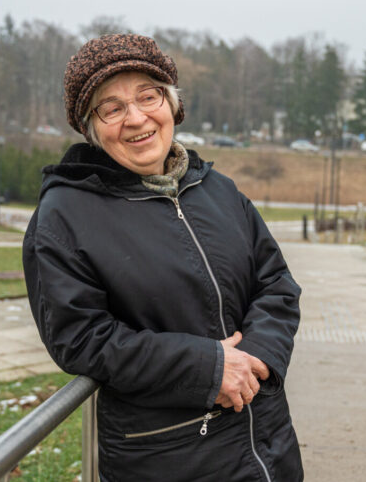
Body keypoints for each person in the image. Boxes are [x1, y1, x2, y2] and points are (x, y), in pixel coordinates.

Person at [23, 34, 303, 481]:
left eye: (147, 96)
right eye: (111, 108)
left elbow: (276, 283)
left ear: (171, 104)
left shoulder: (218, 190)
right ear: (92, 127)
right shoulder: (63, 216)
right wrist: (208, 368)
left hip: (267, 444)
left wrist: (257, 356)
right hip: (168, 455)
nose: (136, 118)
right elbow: (79, 337)